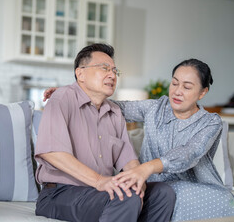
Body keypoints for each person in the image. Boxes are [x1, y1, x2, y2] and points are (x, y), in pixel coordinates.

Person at [43, 58, 234, 221]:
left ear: (202, 92)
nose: (177, 91)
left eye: (187, 87)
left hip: (191, 186)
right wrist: (74, 93)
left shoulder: (210, 122)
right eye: (174, 83)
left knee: (223, 202)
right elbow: (113, 106)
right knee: (163, 193)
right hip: (153, 185)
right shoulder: (155, 108)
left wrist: (145, 168)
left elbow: (189, 153)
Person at [35, 43, 176, 222]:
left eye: (115, 71)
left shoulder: (114, 111)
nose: (112, 75)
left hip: (97, 194)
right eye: (104, 68)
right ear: (81, 74)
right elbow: (51, 152)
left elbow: (128, 160)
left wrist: (137, 180)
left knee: (163, 193)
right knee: (125, 196)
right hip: (60, 193)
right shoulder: (62, 98)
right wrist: (100, 181)